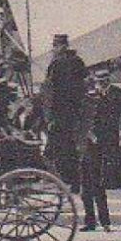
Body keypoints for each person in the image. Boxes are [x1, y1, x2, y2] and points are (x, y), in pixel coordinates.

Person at [33, 34, 87, 190]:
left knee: (60, 148)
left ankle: (63, 180)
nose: (54, 49)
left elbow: (52, 91)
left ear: (63, 46)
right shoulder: (77, 61)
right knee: (66, 148)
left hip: (61, 113)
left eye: (56, 46)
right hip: (72, 112)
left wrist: (50, 115)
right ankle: (70, 181)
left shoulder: (58, 64)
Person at [80, 70, 121, 230]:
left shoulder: (114, 96)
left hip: (103, 147)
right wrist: (87, 132)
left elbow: (114, 121)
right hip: (87, 147)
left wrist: (98, 136)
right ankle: (90, 222)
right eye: (98, 81)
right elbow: (83, 119)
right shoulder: (89, 99)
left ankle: (105, 222)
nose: (100, 84)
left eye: (103, 81)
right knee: (86, 189)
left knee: (98, 186)